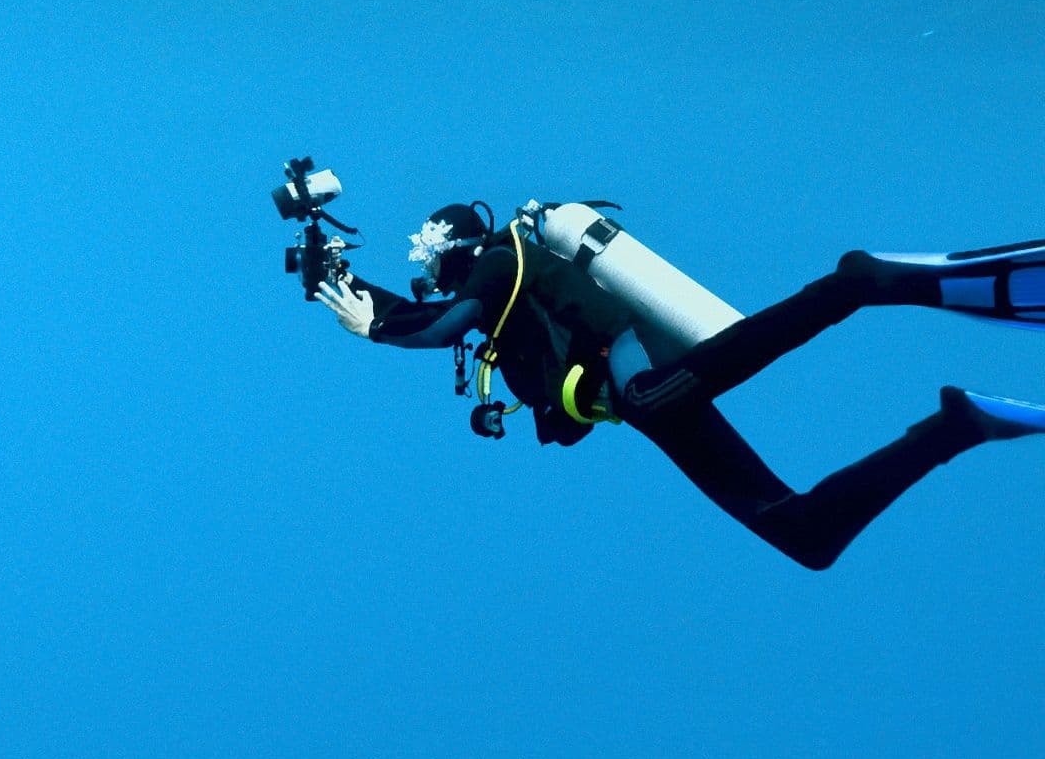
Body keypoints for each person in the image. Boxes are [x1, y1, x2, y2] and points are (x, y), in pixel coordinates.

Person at [296, 171, 1045, 568]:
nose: (429, 270)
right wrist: (331, 272)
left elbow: (441, 326)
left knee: (672, 390)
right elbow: (417, 314)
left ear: (457, 246)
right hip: (630, 397)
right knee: (804, 537)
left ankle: (854, 284)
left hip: (636, 375)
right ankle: (956, 426)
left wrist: (380, 336)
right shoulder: (493, 294)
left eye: (430, 254)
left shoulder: (499, 264)